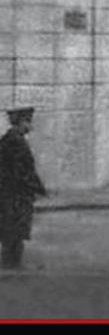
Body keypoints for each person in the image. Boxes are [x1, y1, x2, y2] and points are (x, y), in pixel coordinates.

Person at [0, 108, 47, 270]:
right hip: (16, 193)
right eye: (28, 121)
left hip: (11, 191)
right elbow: (23, 170)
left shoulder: (9, 139)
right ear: (20, 122)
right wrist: (37, 187)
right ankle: (12, 264)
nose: (30, 126)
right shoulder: (16, 142)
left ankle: (11, 262)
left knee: (11, 227)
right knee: (16, 226)